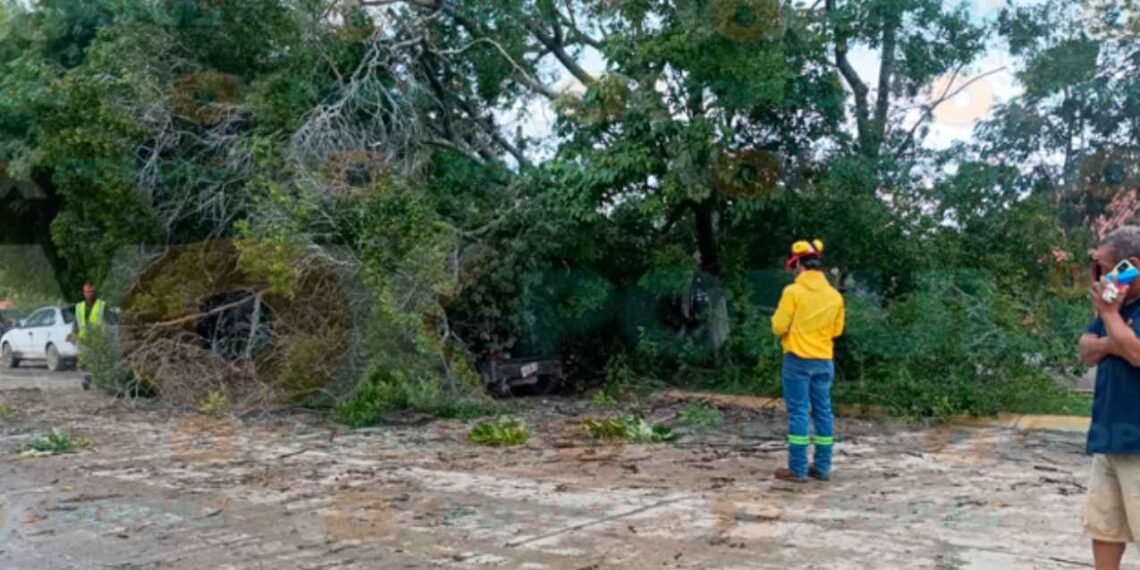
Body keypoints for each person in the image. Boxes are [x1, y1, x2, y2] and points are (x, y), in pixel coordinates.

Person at [1078, 225, 1140, 570]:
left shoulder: (1112, 309)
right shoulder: (1116, 304)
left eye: (1102, 267)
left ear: (1130, 265)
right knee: (1105, 527)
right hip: (1109, 437)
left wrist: (1110, 317)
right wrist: (1113, 339)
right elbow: (1086, 348)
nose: (1097, 276)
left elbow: (1137, 354)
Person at [770, 239, 845, 482]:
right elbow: (836, 330)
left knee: (799, 413)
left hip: (798, 361)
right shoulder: (834, 296)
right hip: (824, 360)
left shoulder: (793, 292)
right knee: (823, 412)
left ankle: (798, 469)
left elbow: (778, 326)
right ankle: (822, 467)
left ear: (798, 266)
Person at [71, 283, 106, 390]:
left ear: (95, 293)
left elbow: (108, 320)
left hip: (97, 339)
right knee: (84, 362)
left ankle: (100, 381)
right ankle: (86, 382)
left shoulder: (101, 305)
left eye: (92, 292)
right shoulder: (79, 307)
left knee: (96, 361)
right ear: (84, 293)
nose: (90, 294)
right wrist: (74, 334)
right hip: (83, 339)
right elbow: (76, 322)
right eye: (87, 292)